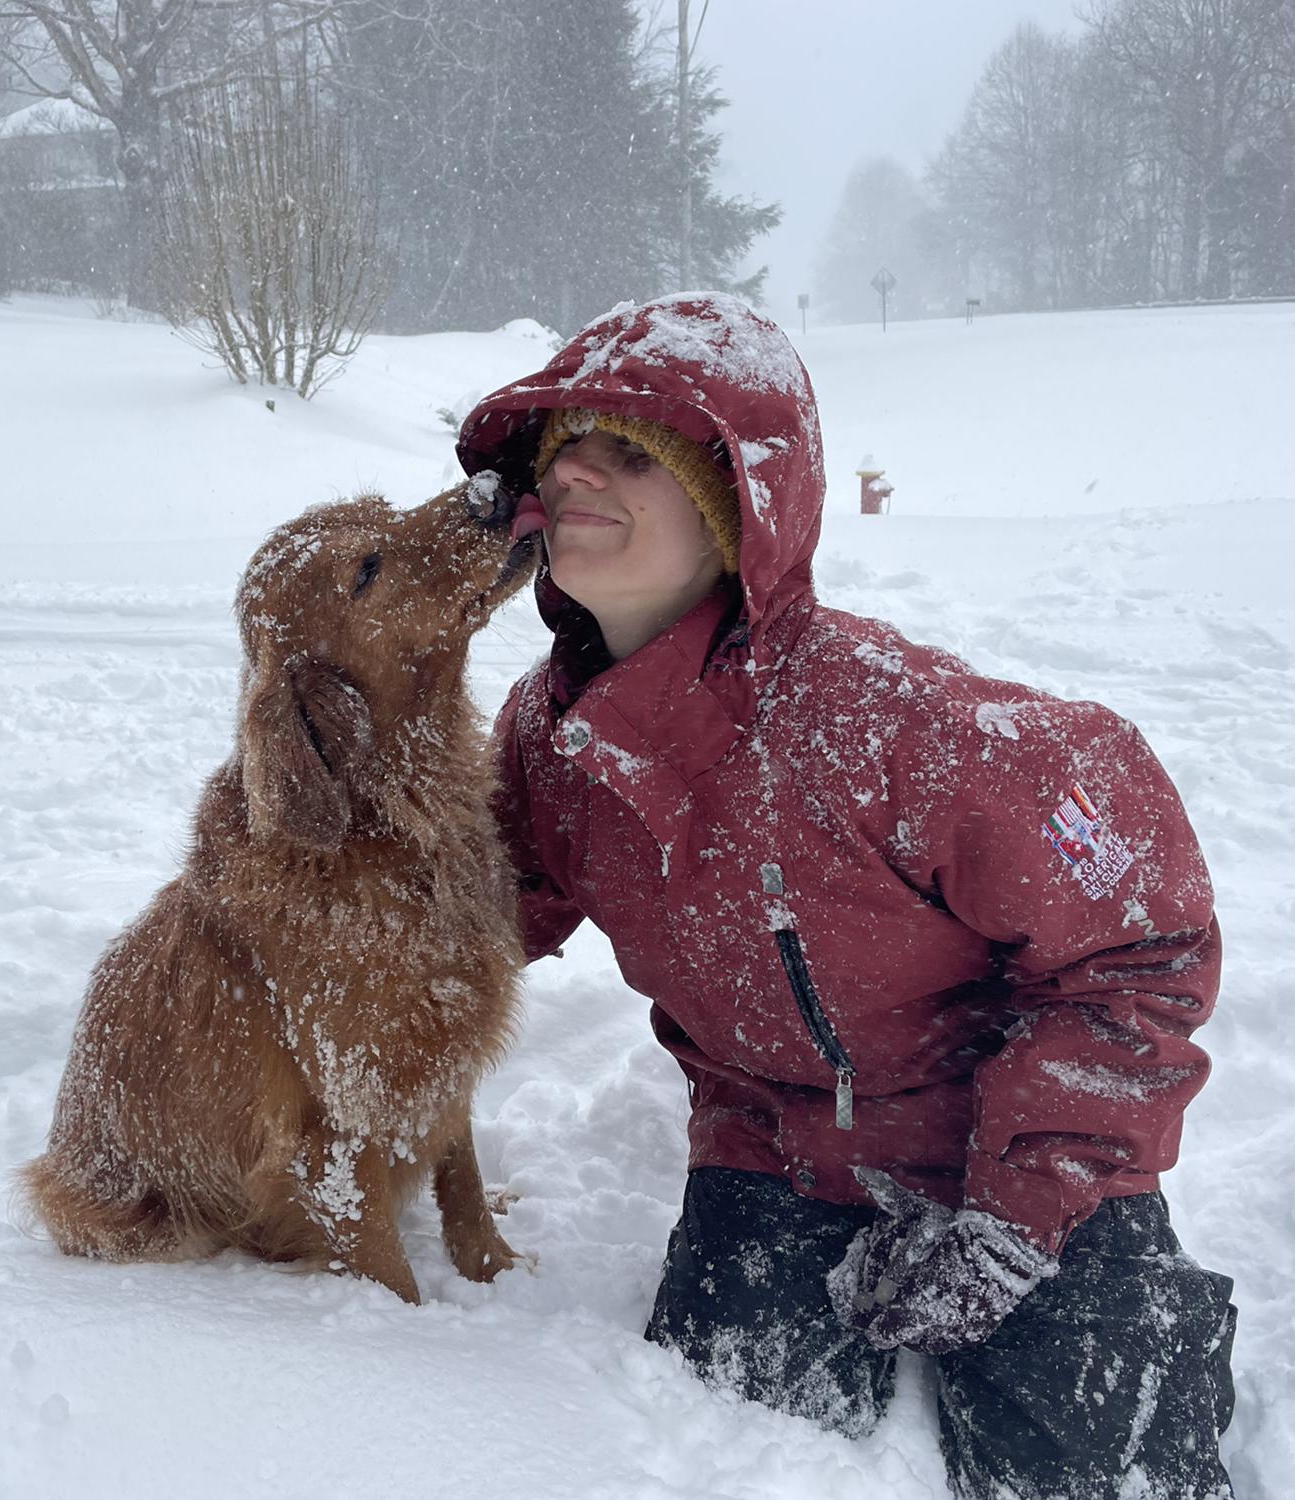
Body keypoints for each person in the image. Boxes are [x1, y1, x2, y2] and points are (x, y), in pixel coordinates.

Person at [456, 294, 1236, 1500]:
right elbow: (458, 922)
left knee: (1097, 1477)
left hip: (1019, 1161)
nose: (575, 474)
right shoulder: (547, 738)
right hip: (773, 1155)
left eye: (632, 451)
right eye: (559, 449)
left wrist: (1015, 1221)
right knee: (724, 1458)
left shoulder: (902, 727)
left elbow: (1136, 950)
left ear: (737, 507)